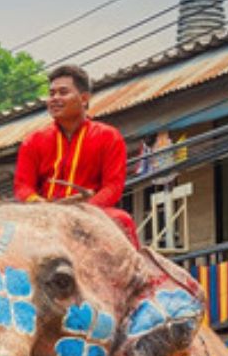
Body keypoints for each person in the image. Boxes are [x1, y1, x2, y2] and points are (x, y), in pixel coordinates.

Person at [13, 64, 137, 246]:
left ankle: (141, 274)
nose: (54, 98)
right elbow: (22, 186)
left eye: (63, 92)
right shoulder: (33, 141)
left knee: (122, 219)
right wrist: (39, 204)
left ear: (84, 98)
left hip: (91, 213)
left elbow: (113, 187)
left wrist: (83, 211)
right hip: (44, 214)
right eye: (51, 93)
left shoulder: (109, 137)